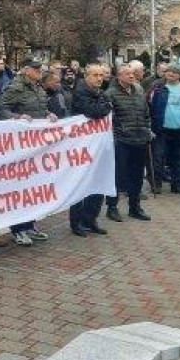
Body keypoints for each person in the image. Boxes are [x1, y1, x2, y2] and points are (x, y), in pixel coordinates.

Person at [0, 59, 56, 246]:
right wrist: (18, 117)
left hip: (36, 147)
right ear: (25, 70)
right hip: (20, 147)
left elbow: (38, 107)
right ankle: (18, 229)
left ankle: (30, 224)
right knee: (20, 188)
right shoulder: (15, 87)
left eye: (40, 68)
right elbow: (2, 110)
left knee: (34, 186)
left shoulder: (37, 87)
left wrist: (47, 113)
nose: (40, 71)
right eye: (36, 68)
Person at [105, 63, 153, 222]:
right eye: (127, 74)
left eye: (133, 73)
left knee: (137, 176)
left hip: (140, 139)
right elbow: (108, 120)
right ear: (119, 76)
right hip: (122, 140)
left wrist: (147, 129)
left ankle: (135, 207)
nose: (131, 76)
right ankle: (112, 207)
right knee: (118, 176)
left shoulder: (139, 92)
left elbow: (146, 113)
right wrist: (116, 135)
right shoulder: (110, 94)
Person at [68, 64, 112, 237]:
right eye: (95, 75)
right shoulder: (80, 93)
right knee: (81, 184)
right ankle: (76, 222)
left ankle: (90, 219)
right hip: (82, 145)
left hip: (98, 145)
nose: (100, 78)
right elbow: (95, 111)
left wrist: (105, 105)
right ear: (86, 76)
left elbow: (104, 107)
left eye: (101, 75)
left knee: (98, 182)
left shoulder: (99, 92)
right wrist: (106, 106)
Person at [149, 66, 180, 194]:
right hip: (162, 128)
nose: (171, 74)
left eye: (174, 72)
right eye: (168, 72)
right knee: (158, 158)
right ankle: (157, 184)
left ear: (179, 75)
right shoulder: (158, 89)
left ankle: (178, 185)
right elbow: (150, 106)